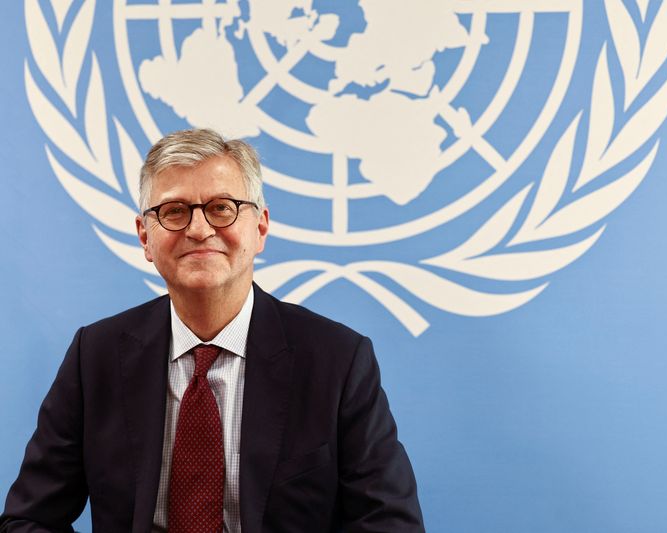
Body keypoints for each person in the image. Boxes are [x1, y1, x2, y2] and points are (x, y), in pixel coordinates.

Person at [1, 129, 424, 532]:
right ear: (144, 237)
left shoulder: (336, 360)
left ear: (260, 228)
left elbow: (390, 523)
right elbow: (28, 519)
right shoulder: (93, 357)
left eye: (222, 207)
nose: (199, 229)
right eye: (174, 211)